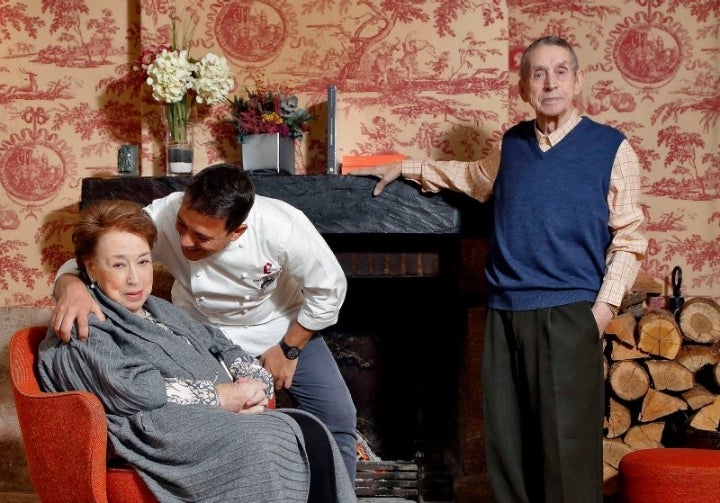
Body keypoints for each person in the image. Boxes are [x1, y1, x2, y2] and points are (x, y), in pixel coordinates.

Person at [350, 36, 648, 503]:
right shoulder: (512, 143)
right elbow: (472, 178)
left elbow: (630, 237)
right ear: (526, 86)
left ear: (577, 81)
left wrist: (603, 310)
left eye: (560, 72)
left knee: (566, 454)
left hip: (569, 314)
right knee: (508, 451)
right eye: (538, 73)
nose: (550, 83)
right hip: (504, 312)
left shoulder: (611, 148)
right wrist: (406, 166)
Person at [50, 164, 358, 482]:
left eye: (201, 237)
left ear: (237, 231)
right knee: (221, 428)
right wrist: (69, 286)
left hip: (279, 325)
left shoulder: (282, 228)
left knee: (337, 417)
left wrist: (289, 349)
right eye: (182, 226)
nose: (184, 241)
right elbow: (94, 258)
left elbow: (329, 289)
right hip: (201, 329)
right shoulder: (161, 215)